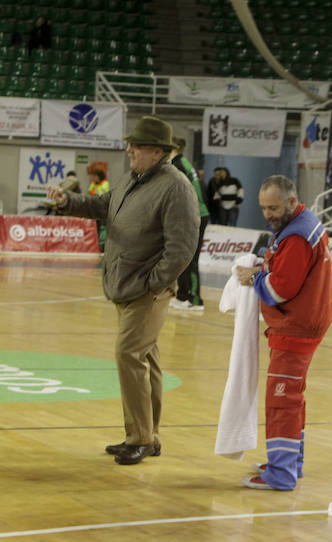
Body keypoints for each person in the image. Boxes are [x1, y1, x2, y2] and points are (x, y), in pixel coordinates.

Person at [45, 116, 198, 465]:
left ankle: (140, 437)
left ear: (157, 152)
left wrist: (153, 282)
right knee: (146, 360)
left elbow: (182, 248)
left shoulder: (176, 188)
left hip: (147, 291)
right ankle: (149, 435)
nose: (129, 149)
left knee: (128, 355)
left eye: (137, 145)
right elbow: (103, 207)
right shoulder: (133, 178)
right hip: (127, 286)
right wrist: (67, 201)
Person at [235, 175, 332, 490]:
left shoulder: (296, 237)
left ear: (293, 201)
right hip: (302, 324)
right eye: (263, 208)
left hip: (296, 328)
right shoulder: (300, 225)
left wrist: (255, 278)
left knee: (282, 400)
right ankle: (289, 461)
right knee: (293, 398)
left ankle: (281, 473)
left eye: (273, 208)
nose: (268, 215)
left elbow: (280, 289)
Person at [169, 136, 209, 311]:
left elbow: (183, 193)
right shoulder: (181, 162)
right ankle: (183, 295)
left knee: (190, 258)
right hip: (193, 214)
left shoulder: (178, 165)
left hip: (195, 215)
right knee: (184, 257)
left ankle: (194, 299)